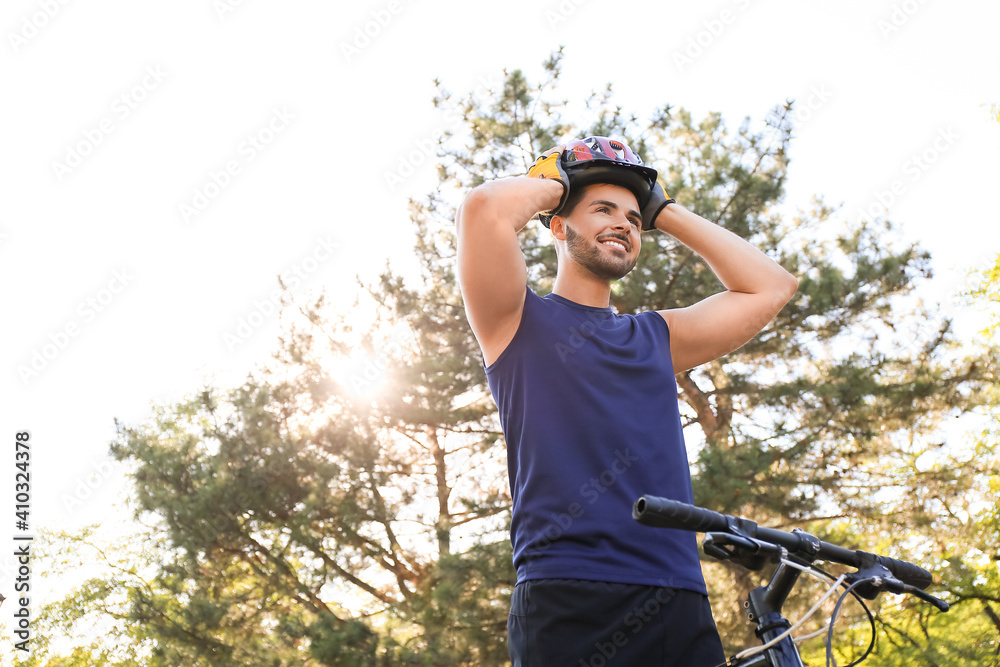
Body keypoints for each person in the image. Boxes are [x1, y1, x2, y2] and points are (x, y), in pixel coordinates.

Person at [455, 136, 798, 666]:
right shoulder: (516, 322)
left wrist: (666, 211)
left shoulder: (657, 337)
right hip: (566, 592)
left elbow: (770, 288)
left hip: (676, 595)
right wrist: (560, 183)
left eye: (635, 219)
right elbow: (483, 209)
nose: (623, 223)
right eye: (603, 210)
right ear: (558, 224)